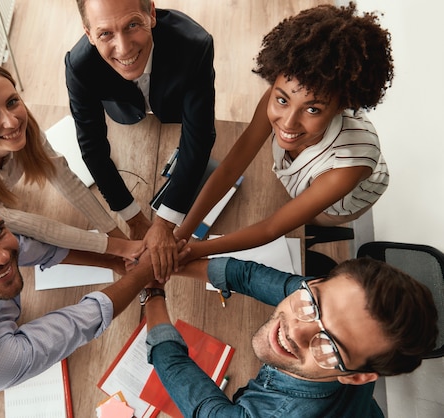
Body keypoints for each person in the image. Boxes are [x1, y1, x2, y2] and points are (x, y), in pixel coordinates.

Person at [0, 177, 169, 403]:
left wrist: (116, 262)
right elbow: (83, 320)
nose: (1, 257)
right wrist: (145, 271)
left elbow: (35, 249)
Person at [177, 3, 393, 260]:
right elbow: (232, 166)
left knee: (300, 218)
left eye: (312, 110)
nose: (288, 122)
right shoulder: (281, 96)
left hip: (339, 205)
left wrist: (190, 251)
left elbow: (271, 227)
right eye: (282, 100)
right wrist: (181, 233)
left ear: (342, 107)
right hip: (308, 175)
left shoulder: (348, 167)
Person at [143, 256, 438, 417]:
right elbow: (247, 276)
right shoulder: (339, 305)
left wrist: (153, 292)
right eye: (313, 304)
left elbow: (204, 408)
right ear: (318, 281)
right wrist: (164, 262)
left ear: (358, 377)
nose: (296, 330)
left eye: (330, 345)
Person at [0, 56, 140, 262]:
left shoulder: (23, 130)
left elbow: (66, 179)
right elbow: (38, 228)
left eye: (12, 102)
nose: (12, 121)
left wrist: (116, 235)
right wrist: (115, 247)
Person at [65, 0, 216, 279]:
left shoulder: (195, 45)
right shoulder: (79, 65)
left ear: (152, 15)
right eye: (105, 34)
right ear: (88, 34)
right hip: (124, 112)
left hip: (173, 108)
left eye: (132, 25)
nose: (123, 48)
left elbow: (199, 138)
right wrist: (134, 219)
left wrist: (164, 222)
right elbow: (92, 146)